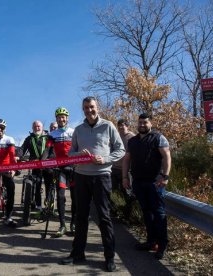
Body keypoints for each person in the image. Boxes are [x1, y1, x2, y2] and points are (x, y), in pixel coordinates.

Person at [61, 96, 125, 272]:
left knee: (104, 217)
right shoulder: (79, 130)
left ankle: (109, 257)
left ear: (97, 107)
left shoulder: (108, 126)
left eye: (92, 107)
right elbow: (70, 153)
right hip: (81, 176)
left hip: (101, 176)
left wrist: (104, 159)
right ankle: (78, 254)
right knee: (81, 216)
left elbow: (120, 150)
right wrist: (79, 154)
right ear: (83, 110)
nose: (89, 110)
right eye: (86, 108)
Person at [122, 113, 171, 260]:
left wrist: (165, 176)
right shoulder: (133, 141)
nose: (142, 125)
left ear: (151, 123)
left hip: (155, 183)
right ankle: (151, 242)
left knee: (159, 214)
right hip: (138, 182)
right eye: (140, 123)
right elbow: (126, 160)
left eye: (145, 122)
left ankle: (162, 246)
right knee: (146, 213)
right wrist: (125, 178)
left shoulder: (158, 138)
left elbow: (167, 156)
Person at [42, 107, 76, 237]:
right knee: (60, 196)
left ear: (67, 118)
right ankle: (62, 225)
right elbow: (47, 150)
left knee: (75, 197)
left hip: (73, 167)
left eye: (63, 117)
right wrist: (42, 163)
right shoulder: (53, 134)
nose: (61, 119)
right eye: (59, 117)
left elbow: (79, 147)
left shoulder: (74, 132)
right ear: (56, 119)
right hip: (60, 168)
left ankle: (73, 223)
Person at [21, 120, 50, 210]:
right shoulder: (29, 139)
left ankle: (48, 203)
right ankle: (38, 205)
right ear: (32, 128)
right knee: (36, 185)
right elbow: (22, 149)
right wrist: (18, 156)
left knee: (48, 185)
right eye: (35, 126)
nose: (37, 128)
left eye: (38, 126)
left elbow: (51, 150)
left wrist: (46, 160)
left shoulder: (48, 138)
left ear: (42, 128)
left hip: (47, 165)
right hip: (35, 165)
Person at [110, 119, 135, 217]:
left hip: (127, 170)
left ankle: (128, 214)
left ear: (127, 126)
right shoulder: (116, 137)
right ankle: (114, 212)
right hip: (114, 168)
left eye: (123, 125)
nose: (120, 127)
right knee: (112, 191)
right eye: (119, 125)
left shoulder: (132, 137)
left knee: (127, 192)